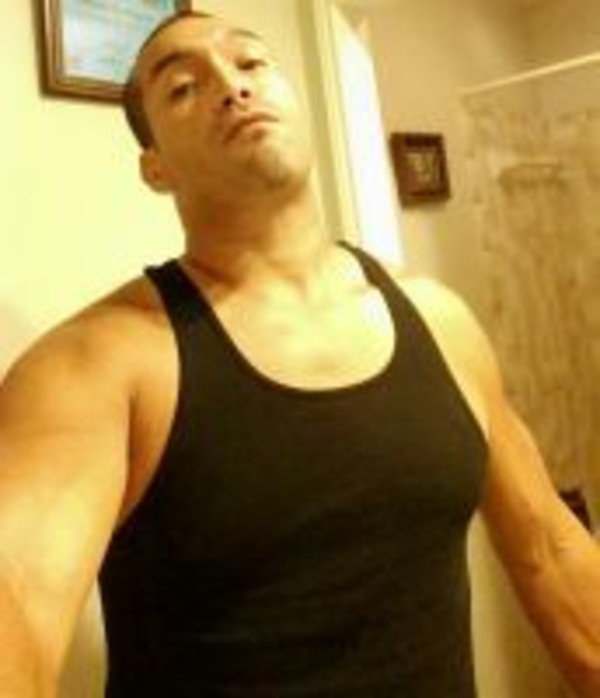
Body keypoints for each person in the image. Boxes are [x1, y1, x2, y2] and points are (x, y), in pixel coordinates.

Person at [0, 8, 598, 697]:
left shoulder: (440, 321)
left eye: (251, 62)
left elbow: (550, 550)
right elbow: (19, 605)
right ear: (154, 168)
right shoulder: (94, 364)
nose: (232, 85)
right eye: (183, 87)